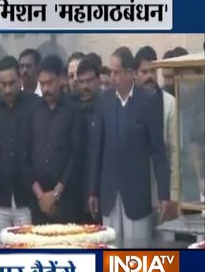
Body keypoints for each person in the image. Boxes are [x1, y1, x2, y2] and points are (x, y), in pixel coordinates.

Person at [89, 47, 172, 248]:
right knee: (110, 251)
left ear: (130, 73)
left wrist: (164, 194)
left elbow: (158, 151)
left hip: (136, 194)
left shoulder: (148, 101)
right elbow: (96, 147)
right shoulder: (104, 99)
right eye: (110, 72)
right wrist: (93, 190)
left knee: (136, 254)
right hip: (109, 191)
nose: (112, 77)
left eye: (116, 72)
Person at [22, 55, 84, 225]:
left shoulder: (74, 111)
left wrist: (56, 193)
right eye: (42, 84)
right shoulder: (33, 111)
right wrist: (41, 195)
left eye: (50, 82)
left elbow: (76, 156)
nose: (46, 88)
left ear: (61, 79)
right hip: (38, 202)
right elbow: (24, 154)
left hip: (67, 201)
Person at [0, 56, 38, 244]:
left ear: (20, 80)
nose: (7, 89)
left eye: (12, 83)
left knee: (29, 250)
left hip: (27, 196)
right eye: (3, 84)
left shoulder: (34, 104)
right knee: (0, 250)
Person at [134, 46, 179, 220]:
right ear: (134, 74)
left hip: (164, 194)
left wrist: (172, 194)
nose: (149, 76)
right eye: (144, 72)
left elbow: (174, 151)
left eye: (153, 71)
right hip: (137, 194)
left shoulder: (169, 103)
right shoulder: (128, 104)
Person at [76, 55, 102, 224]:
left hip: (102, 194)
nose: (85, 86)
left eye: (89, 81)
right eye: (82, 82)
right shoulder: (73, 109)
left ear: (98, 80)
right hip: (76, 196)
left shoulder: (107, 108)